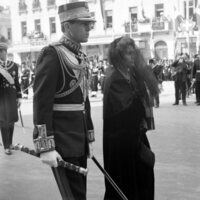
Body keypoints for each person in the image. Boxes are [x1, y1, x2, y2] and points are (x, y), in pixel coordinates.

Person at [33, 2, 95, 200]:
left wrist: (89, 137)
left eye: (90, 24)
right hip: (62, 141)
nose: (89, 28)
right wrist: (46, 146)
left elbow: (84, 100)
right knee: (73, 195)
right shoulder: (52, 54)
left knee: (79, 193)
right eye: (83, 24)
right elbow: (42, 103)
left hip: (78, 138)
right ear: (67, 26)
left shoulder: (79, 55)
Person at [103, 36, 159, 200]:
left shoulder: (130, 75)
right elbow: (128, 111)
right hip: (120, 144)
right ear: (118, 56)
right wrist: (139, 102)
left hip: (134, 139)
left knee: (143, 181)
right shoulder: (114, 78)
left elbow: (137, 110)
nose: (133, 56)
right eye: (128, 53)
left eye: (133, 53)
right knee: (125, 186)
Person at [0, 43, 22, 155]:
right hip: (1, 97)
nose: (0, 54)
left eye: (1, 51)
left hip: (12, 96)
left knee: (11, 121)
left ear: (5, 52)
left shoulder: (13, 65)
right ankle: (6, 146)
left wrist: (19, 97)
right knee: (3, 122)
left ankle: (10, 143)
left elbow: (17, 82)